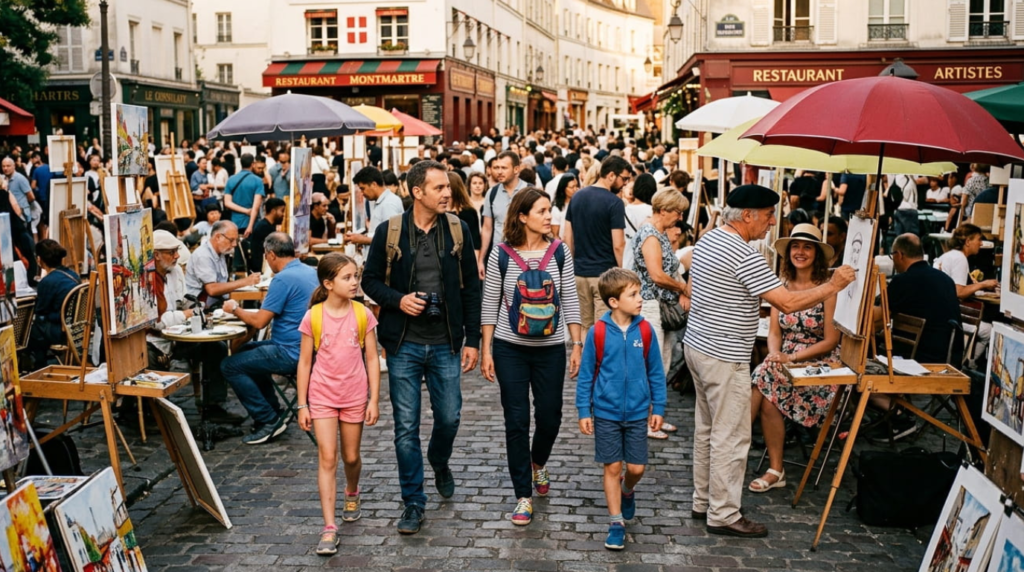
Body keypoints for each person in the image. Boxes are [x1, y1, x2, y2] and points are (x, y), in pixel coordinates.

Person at [683, 185, 855, 538]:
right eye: (767, 215)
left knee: (707, 430)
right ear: (747, 216)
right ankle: (724, 513)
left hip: (699, 346)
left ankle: (704, 501)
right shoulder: (743, 253)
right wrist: (834, 285)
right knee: (730, 435)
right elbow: (786, 304)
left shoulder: (709, 239)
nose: (772, 222)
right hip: (723, 353)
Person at [360, 159, 481, 534]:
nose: (448, 193)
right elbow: (370, 281)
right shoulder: (389, 232)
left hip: (445, 341)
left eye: (448, 186)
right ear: (417, 193)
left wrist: (473, 340)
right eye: (439, 188)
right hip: (403, 343)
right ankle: (413, 501)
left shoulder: (458, 230)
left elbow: (472, 289)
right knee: (405, 427)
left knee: (450, 417)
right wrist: (399, 300)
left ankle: (439, 460)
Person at [480, 188, 583, 526]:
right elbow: (490, 303)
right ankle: (523, 494)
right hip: (510, 349)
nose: (548, 215)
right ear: (522, 216)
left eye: (549, 209)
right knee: (517, 420)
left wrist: (577, 344)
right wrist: (486, 350)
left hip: (550, 349)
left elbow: (570, 298)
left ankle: (538, 463)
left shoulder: (560, 252)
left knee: (551, 416)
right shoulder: (501, 254)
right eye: (541, 210)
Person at [575, 268, 666, 551]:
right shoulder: (598, 332)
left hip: (638, 412)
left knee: (636, 467)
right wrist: (583, 410)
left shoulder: (645, 330)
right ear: (614, 301)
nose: (640, 299)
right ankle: (616, 522)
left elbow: (656, 372)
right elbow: (587, 374)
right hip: (606, 412)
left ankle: (628, 489)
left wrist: (658, 406)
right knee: (612, 466)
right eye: (633, 294)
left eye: (639, 293)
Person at [296, 253, 381, 555]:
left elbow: (372, 357)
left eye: (356, 276)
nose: (355, 282)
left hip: (354, 395)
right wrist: (302, 404)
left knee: (351, 456)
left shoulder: (362, 313)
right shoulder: (314, 316)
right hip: (322, 396)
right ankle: (329, 527)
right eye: (347, 277)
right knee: (327, 458)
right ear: (328, 283)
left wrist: (374, 399)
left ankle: (352, 490)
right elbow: (305, 362)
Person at [749, 224, 840, 494]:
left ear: (817, 254)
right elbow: (774, 332)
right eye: (795, 247)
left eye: (807, 247)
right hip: (785, 362)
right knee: (767, 386)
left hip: (819, 365)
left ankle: (736, 448)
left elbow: (831, 341)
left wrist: (792, 356)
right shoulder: (782, 286)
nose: (800, 252)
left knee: (764, 379)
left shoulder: (828, 288)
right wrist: (777, 354)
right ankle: (774, 469)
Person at [220, 232, 319, 444]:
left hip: (291, 352)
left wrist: (235, 309)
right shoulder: (309, 270)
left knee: (229, 365)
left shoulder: (282, 279)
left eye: (266, 256)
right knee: (246, 351)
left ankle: (268, 419)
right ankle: (273, 408)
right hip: (307, 347)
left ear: (271, 255)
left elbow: (259, 322)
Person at [867, 234, 962, 440]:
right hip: (951, 353)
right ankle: (896, 412)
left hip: (922, 357)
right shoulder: (944, 278)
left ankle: (900, 416)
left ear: (899, 255)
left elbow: (874, 318)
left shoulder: (904, 281)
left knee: (863, 373)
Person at [144, 230, 241, 425]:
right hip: (153, 338)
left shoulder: (175, 271)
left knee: (216, 348)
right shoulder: (147, 278)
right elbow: (155, 321)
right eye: (171, 252)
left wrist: (195, 310)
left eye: (176, 251)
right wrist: (185, 314)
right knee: (147, 356)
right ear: (156, 255)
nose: (177, 256)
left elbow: (183, 300)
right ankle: (154, 413)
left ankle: (213, 405)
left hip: (177, 334)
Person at [630, 190, 691, 439]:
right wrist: (682, 288)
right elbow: (656, 274)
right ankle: (643, 421)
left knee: (662, 363)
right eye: (677, 211)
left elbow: (672, 267)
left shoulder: (660, 234)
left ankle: (655, 417)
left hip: (660, 306)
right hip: (649, 306)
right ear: (663, 210)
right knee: (649, 364)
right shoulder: (650, 234)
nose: (680, 217)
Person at [563, 156, 630, 330]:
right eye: (624, 178)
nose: (625, 184)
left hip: (579, 273)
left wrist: (571, 268)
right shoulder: (615, 203)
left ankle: (587, 357)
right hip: (604, 275)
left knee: (585, 327)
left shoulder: (576, 197)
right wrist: (624, 275)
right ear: (611, 175)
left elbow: (567, 238)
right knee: (604, 328)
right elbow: (618, 245)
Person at [933, 223, 998, 366]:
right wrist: (983, 284)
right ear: (968, 242)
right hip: (947, 315)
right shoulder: (959, 259)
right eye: (978, 239)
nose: (981, 243)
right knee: (989, 330)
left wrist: (976, 285)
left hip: (939, 311)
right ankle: (968, 363)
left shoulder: (949, 255)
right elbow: (959, 292)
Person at [27, 240, 79, 369]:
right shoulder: (73, 275)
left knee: (29, 331)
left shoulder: (48, 282)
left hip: (58, 330)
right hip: (74, 324)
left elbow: (40, 310)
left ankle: (39, 365)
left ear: (39, 259)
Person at [184, 220, 260, 305]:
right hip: (200, 306)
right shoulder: (203, 255)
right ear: (218, 237)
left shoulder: (221, 252)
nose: (234, 244)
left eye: (236, 240)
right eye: (231, 240)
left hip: (216, 303)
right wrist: (245, 281)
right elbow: (212, 289)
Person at [479, 151, 530, 271]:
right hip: (498, 258)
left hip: (525, 257)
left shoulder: (530, 191)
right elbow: (487, 228)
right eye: (496, 167)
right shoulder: (491, 193)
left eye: (504, 168)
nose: (499, 172)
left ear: (516, 169)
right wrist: (481, 260)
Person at [344, 166, 405, 246]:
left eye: (363, 189)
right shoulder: (381, 202)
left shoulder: (389, 203)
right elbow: (380, 235)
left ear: (374, 184)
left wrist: (362, 240)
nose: (362, 193)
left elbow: (391, 240)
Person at [447, 172, 482, 274]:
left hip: (464, 261)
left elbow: (475, 242)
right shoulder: (437, 212)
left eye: (448, 186)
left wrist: (474, 266)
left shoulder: (468, 212)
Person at [223, 153, 265, 239]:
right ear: (253, 164)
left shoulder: (231, 179)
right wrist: (250, 226)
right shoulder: (258, 181)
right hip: (251, 222)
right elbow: (256, 207)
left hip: (234, 222)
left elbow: (227, 203)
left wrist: (245, 210)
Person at [248, 198, 286, 274]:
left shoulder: (268, 225)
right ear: (273, 211)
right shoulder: (264, 228)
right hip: (262, 268)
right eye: (282, 211)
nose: (283, 215)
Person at [550, 174, 578, 239]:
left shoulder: (579, 203)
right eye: (572, 187)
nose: (575, 189)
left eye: (576, 186)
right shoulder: (557, 209)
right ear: (563, 189)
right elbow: (555, 235)